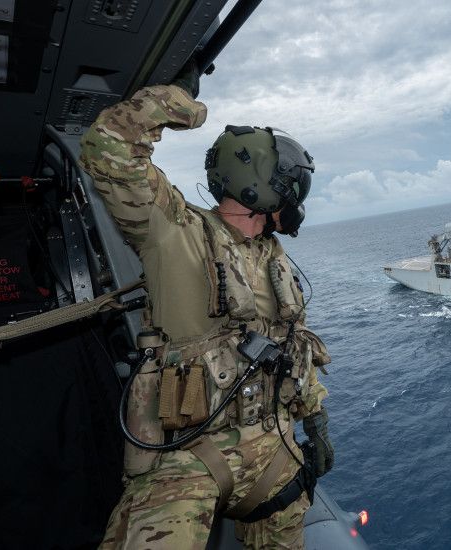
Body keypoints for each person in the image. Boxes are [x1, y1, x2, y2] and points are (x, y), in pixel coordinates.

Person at [79, 64, 334, 550]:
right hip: (185, 457)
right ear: (262, 185)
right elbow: (107, 148)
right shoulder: (174, 232)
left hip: (272, 443)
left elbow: (295, 347)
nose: (298, 195)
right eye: (292, 182)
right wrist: (178, 103)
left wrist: (315, 420)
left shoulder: (271, 256)